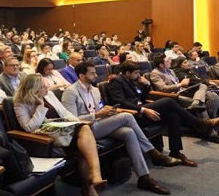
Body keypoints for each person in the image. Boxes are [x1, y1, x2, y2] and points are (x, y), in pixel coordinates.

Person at [62, 62, 177, 195]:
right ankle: (152, 152)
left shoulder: (94, 90)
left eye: (95, 72)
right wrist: (97, 115)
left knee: (129, 132)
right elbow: (71, 120)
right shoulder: (70, 92)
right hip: (84, 131)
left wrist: (107, 112)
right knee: (127, 116)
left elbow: (99, 110)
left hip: (99, 125)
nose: (96, 75)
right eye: (92, 73)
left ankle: (144, 177)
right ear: (82, 76)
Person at [106, 62, 219, 167]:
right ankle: (199, 123)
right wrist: (142, 110)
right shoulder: (116, 81)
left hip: (141, 110)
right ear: (127, 73)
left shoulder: (131, 81)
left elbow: (141, 98)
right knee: (168, 101)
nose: (139, 75)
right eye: (136, 73)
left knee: (174, 116)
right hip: (132, 115)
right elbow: (120, 102)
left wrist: (147, 85)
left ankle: (175, 151)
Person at [13, 74, 106, 196]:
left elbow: (64, 112)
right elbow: (30, 128)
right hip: (47, 137)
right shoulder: (21, 103)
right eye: (43, 87)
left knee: (84, 128)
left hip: (65, 129)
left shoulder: (49, 95)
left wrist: (76, 122)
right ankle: (92, 183)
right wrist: (40, 106)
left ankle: (93, 181)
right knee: (83, 146)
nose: (47, 88)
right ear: (33, 90)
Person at [171, 57, 219, 128]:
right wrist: (207, 82)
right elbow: (192, 81)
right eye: (185, 62)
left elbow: (200, 78)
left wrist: (208, 82)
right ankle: (212, 122)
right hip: (194, 90)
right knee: (213, 97)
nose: (188, 63)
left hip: (204, 87)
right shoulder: (178, 71)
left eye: (187, 61)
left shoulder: (190, 70)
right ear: (179, 65)